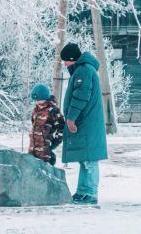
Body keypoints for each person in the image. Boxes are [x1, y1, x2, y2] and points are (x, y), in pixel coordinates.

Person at [59, 42, 108, 205]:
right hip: (87, 123)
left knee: (90, 160)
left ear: (72, 58)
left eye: (66, 60)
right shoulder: (84, 70)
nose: (65, 64)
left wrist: (71, 118)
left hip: (87, 123)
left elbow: (80, 97)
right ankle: (82, 191)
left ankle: (90, 193)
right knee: (85, 159)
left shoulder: (84, 71)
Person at [28, 84, 65, 166]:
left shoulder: (53, 110)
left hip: (45, 150)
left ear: (45, 98)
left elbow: (62, 127)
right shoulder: (36, 110)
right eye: (35, 100)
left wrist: (56, 142)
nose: (36, 102)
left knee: (44, 171)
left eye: (39, 100)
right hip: (32, 148)